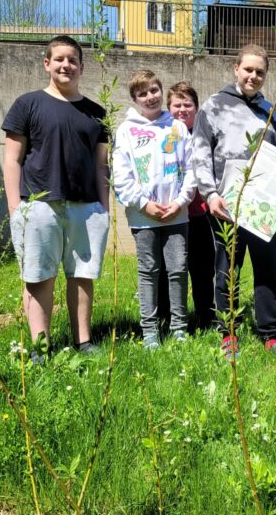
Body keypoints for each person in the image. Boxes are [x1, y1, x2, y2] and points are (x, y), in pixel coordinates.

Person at [2, 35, 110, 363]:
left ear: (81, 66)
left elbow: (101, 165)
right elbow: (12, 159)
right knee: (39, 277)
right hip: (38, 206)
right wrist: (15, 207)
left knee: (82, 276)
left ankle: (83, 341)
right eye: (59, 59)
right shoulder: (27, 104)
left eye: (72, 60)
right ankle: (40, 348)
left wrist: (104, 209)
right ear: (47, 63)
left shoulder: (97, 113)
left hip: (86, 209)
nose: (66, 65)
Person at [192, 44, 276, 358]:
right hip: (225, 207)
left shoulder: (271, 112)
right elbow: (200, 154)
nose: (253, 76)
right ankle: (228, 333)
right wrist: (210, 193)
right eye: (248, 69)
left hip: (262, 207)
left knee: (267, 270)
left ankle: (271, 333)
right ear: (236, 68)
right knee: (227, 271)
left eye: (260, 72)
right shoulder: (212, 106)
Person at [113, 70, 196, 350]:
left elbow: (190, 169)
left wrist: (180, 202)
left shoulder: (177, 127)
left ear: (162, 91)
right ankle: (149, 331)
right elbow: (122, 176)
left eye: (154, 90)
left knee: (178, 270)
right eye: (143, 93)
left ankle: (179, 327)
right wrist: (144, 204)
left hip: (177, 214)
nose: (150, 97)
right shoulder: (125, 130)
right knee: (148, 271)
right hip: (143, 216)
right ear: (135, 99)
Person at [158, 82, 216, 332]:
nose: (182, 109)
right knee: (165, 270)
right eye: (176, 105)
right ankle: (165, 318)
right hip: (168, 214)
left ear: (196, 107)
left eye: (187, 104)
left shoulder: (205, 135)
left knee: (202, 270)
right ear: (168, 108)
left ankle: (206, 318)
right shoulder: (161, 134)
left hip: (199, 213)